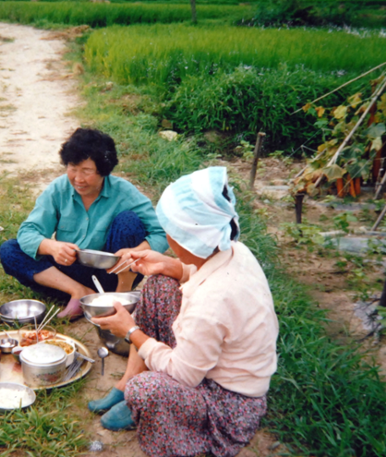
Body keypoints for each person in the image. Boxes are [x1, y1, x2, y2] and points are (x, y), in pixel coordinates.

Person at [89, 167, 279, 457]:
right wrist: (168, 265)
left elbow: (184, 374)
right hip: (210, 360)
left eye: (171, 230)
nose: (167, 236)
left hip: (227, 400)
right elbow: (200, 271)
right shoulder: (232, 249)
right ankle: (127, 382)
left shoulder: (213, 300)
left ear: (190, 236)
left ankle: (145, 403)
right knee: (157, 283)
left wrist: (131, 331)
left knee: (147, 389)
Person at [0, 128, 169, 320]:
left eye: (86, 171)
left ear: (103, 171)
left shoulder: (124, 193)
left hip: (113, 273)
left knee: (128, 221)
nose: (78, 179)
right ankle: (80, 292)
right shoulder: (59, 189)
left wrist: (134, 253)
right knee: (10, 249)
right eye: (72, 169)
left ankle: (121, 298)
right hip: (68, 272)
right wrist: (52, 247)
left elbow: (161, 233)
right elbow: (28, 232)